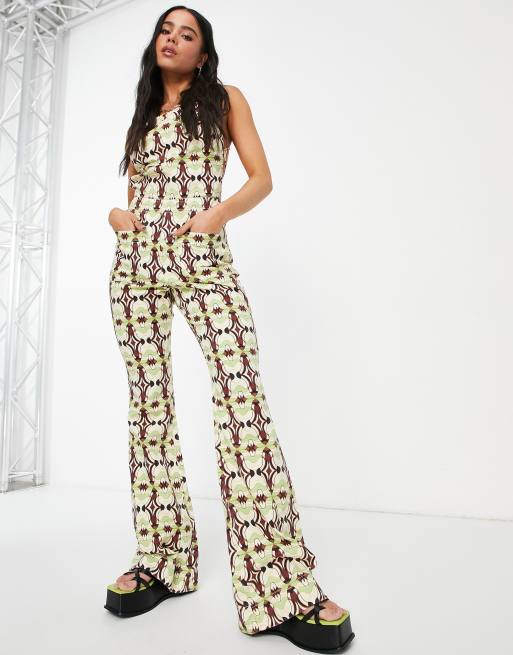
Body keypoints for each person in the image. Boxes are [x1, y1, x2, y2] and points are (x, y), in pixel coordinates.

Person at [104, 5, 355, 652]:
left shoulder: (223, 99)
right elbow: (138, 192)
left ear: (204, 54)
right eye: (165, 30)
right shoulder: (142, 113)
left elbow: (261, 178)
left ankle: (280, 588)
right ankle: (164, 560)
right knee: (148, 411)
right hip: (136, 266)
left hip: (204, 260)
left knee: (243, 409)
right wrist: (117, 218)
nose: (172, 39)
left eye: (186, 34)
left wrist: (215, 216)